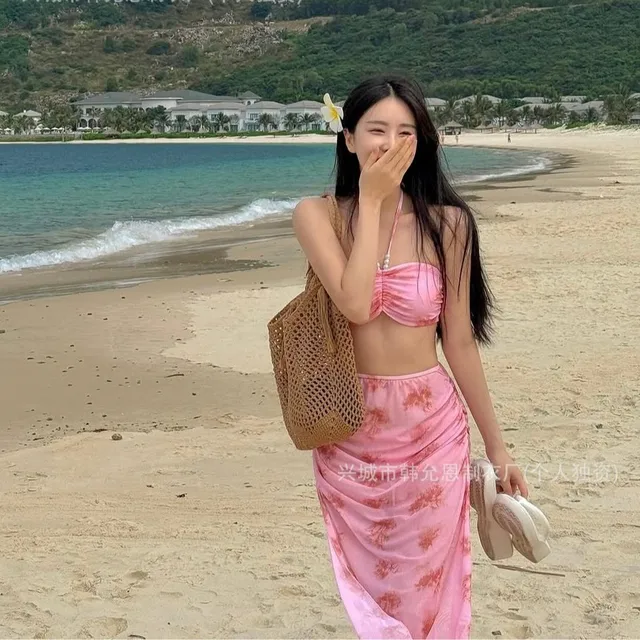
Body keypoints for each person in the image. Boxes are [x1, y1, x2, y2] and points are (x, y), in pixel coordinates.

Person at [292, 74, 528, 639]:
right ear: (349, 138)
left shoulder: (449, 223)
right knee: (374, 587)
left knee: (430, 582)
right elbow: (353, 303)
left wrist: (498, 447)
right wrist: (372, 202)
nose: (391, 143)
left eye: (406, 132)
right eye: (377, 130)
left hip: (432, 429)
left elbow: (460, 342)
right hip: (350, 430)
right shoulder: (316, 215)